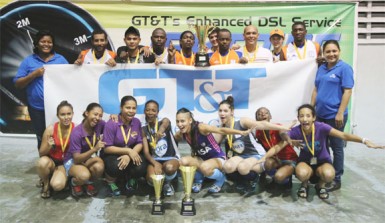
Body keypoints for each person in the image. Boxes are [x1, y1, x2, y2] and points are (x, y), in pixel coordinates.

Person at [280, 104, 383, 199]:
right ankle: (304, 184)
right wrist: (288, 139)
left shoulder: (321, 127)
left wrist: (364, 140)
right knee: (301, 173)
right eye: (301, 116)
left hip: (323, 162)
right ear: (298, 118)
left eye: (308, 116)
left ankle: (320, 186)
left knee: (329, 174)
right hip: (305, 162)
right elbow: (282, 133)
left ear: (314, 117)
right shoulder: (296, 130)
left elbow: (343, 135)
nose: (305, 119)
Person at [218, 97, 290, 193]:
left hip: (256, 155)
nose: (222, 113)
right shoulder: (222, 128)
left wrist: (282, 127)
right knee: (227, 167)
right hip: (240, 156)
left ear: (232, 112)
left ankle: (254, 178)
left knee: (242, 168)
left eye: (225, 111)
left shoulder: (242, 121)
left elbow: (262, 124)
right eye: (220, 111)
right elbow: (214, 142)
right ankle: (244, 180)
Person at [14, 30, 69, 152]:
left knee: (60, 135)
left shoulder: (61, 60)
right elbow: (18, 84)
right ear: (37, 44)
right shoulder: (28, 61)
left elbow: (70, 80)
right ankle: (44, 164)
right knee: (41, 136)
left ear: (53, 44)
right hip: (37, 108)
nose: (46, 44)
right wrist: (33, 75)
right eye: (43, 41)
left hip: (57, 108)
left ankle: (59, 163)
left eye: (49, 42)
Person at [310, 40, 354, 192]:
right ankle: (324, 173)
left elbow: (347, 91)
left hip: (335, 116)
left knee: (337, 147)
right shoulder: (322, 68)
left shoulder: (345, 68)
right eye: (328, 52)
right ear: (323, 53)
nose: (331, 54)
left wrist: (340, 112)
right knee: (321, 147)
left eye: (334, 51)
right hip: (320, 115)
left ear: (339, 51)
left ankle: (337, 178)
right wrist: (311, 110)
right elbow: (316, 89)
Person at [175, 108, 250, 193]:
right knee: (182, 161)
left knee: (205, 167)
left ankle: (221, 178)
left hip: (218, 158)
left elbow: (221, 130)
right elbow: (173, 140)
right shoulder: (181, 133)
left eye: (182, 121)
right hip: (203, 160)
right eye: (177, 121)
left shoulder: (201, 127)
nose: (179, 124)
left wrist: (241, 132)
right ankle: (199, 180)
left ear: (190, 120)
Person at [102, 96, 147, 196]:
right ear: (121, 108)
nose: (131, 111)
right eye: (128, 108)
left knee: (141, 167)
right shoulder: (111, 123)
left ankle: (131, 178)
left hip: (131, 152)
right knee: (115, 167)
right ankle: (110, 181)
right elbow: (107, 148)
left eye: (134, 108)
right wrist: (127, 151)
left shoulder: (136, 122)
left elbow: (140, 143)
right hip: (114, 154)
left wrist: (130, 154)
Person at [64, 103, 105, 197]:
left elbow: (112, 126)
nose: (97, 118)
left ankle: (88, 183)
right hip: (73, 161)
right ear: (87, 113)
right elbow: (77, 159)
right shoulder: (76, 132)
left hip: (87, 158)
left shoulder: (100, 124)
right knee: (84, 175)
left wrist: (115, 116)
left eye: (100, 116)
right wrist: (95, 149)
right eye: (95, 114)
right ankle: (75, 182)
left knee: (99, 167)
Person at [36, 101, 75, 198]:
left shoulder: (76, 128)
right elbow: (41, 153)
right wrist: (49, 146)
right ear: (58, 116)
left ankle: (65, 179)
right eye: (62, 114)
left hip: (66, 163)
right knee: (42, 162)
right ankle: (46, 184)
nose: (66, 117)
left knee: (57, 186)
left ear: (72, 114)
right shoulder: (51, 129)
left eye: (69, 114)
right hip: (53, 161)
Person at [142, 100, 180, 196]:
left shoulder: (164, 123)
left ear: (157, 112)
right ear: (144, 111)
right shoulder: (143, 129)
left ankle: (167, 183)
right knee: (151, 178)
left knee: (169, 168)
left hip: (170, 158)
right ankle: (161, 182)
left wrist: (160, 130)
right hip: (155, 159)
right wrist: (155, 164)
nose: (150, 113)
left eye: (153, 110)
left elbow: (166, 121)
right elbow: (146, 152)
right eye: (148, 110)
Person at [254, 107, 298, 189]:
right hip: (275, 159)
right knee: (267, 163)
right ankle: (275, 179)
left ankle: (287, 178)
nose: (263, 114)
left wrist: (287, 138)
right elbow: (262, 148)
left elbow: (283, 133)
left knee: (279, 177)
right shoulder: (258, 132)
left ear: (270, 117)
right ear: (257, 119)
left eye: (266, 113)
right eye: (259, 114)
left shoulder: (277, 127)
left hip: (288, 159)